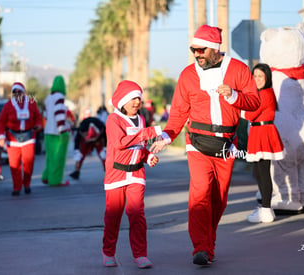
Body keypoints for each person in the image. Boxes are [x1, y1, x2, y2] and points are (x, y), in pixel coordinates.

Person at [150, 24, 260, 265]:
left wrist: (233, 95)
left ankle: (208, 241)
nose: (196, 54)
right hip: (197, 143)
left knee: (218, 199)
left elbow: (254, 102)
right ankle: (201, 247)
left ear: (214, 49)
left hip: (227, 145)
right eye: (193, 50)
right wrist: (167, 136)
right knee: (200, 193)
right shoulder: (188, 75)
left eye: (201, 50)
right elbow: (178, 113)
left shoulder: (238, 70)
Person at [102, 80, 162, 269]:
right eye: (132, 98)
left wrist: (148, 156)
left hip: (136, 174)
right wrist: (147, 133)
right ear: (122, 101)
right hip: (116, 175)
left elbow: (138, 147)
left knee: (137, 214)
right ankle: (108, 252)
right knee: (114, 215)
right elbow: (120, 143)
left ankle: (140, 254)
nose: (137, 102)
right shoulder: (113, 120)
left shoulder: (141, 120)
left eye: (138, 98)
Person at [244, 63, 285, 223]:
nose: (257, 79)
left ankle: (266, 209)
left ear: (267, 78)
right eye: (254, 76)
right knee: (258, 172)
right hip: (258, 133)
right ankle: (265, 208)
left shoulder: (265, 93)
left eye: (260, 76)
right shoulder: (260, 93)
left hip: (263, 133)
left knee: (263, 172)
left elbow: (250, 114)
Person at [0, 82, 43, 196]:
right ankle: (17, 187)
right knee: (14, 164)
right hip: (12, 138)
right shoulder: (8, 105)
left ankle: (26, 184)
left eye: (19, 91)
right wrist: (1, 136)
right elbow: (1, 122)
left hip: (28, 137)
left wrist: (38, 125)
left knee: (28, 162)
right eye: (14, 92)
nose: (17, 94)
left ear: (24, 92)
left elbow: (38, 117)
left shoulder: (31, 103)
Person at [42, 75, 70, 186]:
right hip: (57, 133)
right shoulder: (59, 97)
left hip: (48, 132)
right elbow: (59, 114)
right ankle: (55, 180)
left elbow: (45, 115)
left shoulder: (48, 98)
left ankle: (46, 176)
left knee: (50, 157)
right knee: (58, 158)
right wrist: (62, 130)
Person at [69, 116, 106, 180]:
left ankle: (107, 171)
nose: (91, 140)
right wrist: (77, 150)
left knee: (103, 154)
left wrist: (105, 148)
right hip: (87, 140)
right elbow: (77, 142)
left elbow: (106, 139)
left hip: (97, 140)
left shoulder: (102, 129)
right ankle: (76, 171)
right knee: (81, 154)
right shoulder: (81, 130)